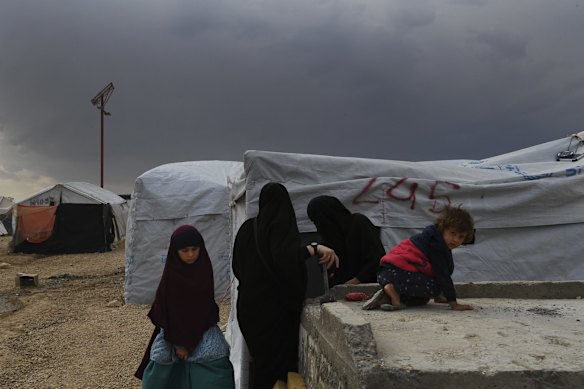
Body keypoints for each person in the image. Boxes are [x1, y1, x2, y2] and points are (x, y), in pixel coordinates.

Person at [232, 183, 338, 389]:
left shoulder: (247, 228)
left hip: (247, 308)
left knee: (261, 365)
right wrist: (312, 249)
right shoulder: (281, 228)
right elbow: (285, 260)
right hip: (274, 314)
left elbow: (238, 266)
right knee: (278, 370)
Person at [135, 225, 235, 388]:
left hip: (202, 329)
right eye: (185, 250)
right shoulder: (171, 277)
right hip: (173, 333)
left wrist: (192, 341)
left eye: (194, 249)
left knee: (217, 367)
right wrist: (179, 343)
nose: (190, 255)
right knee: (162, 368)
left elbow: (203, 307)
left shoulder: (203, 269)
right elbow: (165, 310)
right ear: (175, 251)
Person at [363, 204, 475, 311]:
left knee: (422, 299)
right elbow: (442, 275)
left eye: (461, 237)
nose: (456, 240)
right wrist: (453, 303)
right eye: (453, 233)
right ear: (442, 228)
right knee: (435, 288)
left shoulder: (435, 239)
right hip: (395, 275)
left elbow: (439, 271)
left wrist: (439, 297)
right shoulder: (437, 245)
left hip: (385, 273)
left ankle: (387, 297)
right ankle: (393, 288)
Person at [307, 195, 385, 286]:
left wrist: (356, 280)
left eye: (319, 219)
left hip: (370, 288)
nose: (318, 225)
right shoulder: (327, 239)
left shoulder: (358, 223)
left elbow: (377, 258)